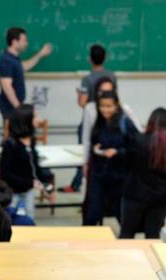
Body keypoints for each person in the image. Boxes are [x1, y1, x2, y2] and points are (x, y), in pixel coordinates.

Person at [60, 44, 118, 193]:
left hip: (90, 123)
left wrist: (78, 94)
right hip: (109, 123)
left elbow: (82, 103)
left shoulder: (87, 79)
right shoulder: (111, 76)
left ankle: (78, 184)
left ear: (90, 59)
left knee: (85, 152)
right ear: (105, 58)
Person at [120, 108, 166, 238]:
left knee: (127, 233)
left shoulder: (139, 141)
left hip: (136, 193)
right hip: (161, 195)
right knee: (153, 234)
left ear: (150, 121)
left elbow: (127, 163)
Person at [82, 91, 139, 226]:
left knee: (120, 212)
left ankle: (126, 241)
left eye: (109, 106)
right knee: (92, 211)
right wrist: (95, 150)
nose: (105, 110)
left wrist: (117, 152)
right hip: (99, 174)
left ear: (116, 106)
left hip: (119, 176)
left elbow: (136, 148)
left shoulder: (125, 123)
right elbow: (93, 142)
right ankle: (84, 240)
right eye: (102, 106)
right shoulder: (99, 122)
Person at [0, 104, 51, 219]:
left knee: (28, 222)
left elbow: (35, 168)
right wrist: (30, 183)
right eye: (35, 117)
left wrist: (49, 188)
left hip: (28, 193)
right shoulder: (10, 145)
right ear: (25, 121)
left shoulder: (31, 141)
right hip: (12, 195)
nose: (39, 120)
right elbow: (5, 175)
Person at [0, 27, 52, 124]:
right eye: (24, 40)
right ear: (14, 42)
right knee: (13, 136)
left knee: (19, 135)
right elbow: (6, 86)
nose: (26, 44)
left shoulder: (14, 59)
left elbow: (25, 66)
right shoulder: (7, 61)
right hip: (10, 108)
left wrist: (40, 54)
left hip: (15, 107)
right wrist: (19, 108)